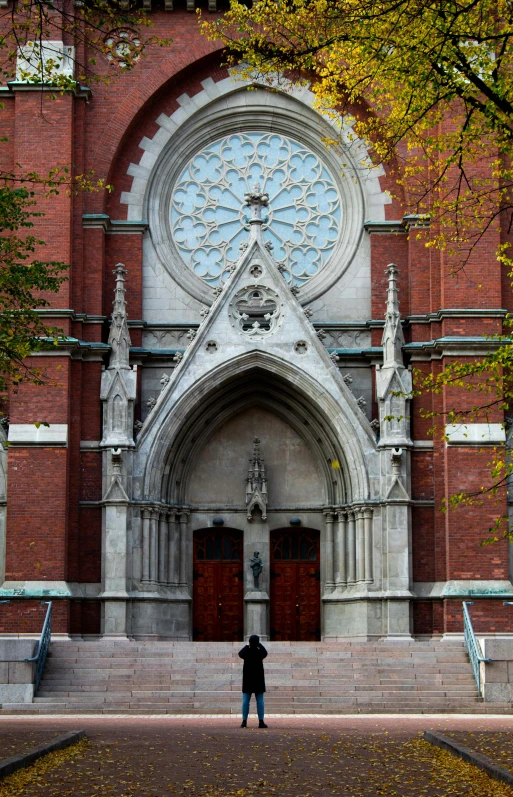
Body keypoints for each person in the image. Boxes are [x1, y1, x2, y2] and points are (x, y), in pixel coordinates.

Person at [238, 634, 268, 728]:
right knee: (260, 702)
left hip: (248, 679)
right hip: (258, 679)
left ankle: (244, 721)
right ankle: (261, 721)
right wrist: (259, 644)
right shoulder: (259, 653)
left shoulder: (247, 652)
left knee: (246, 701)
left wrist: (247, 645)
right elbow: (265, 652)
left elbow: (240, 653)